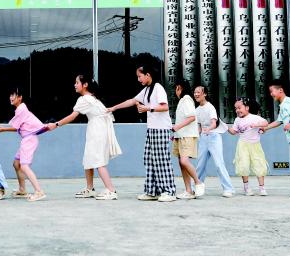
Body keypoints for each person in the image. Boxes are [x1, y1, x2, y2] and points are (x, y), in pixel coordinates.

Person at [107, 63, 176, 202]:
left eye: (140, 76)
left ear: (148, 75)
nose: (138, 79)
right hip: (152, 129)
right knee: (149, 159)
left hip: (161, 129)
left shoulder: (158, 88)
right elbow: (132, 101)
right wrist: (114, 108)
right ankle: (152, 191)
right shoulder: (147, 90)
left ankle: (169, 191)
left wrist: (148, 108)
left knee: (162, 160)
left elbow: (165, 107)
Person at [49, 74, 121, 200]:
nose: (75, 85)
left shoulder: (84, 99)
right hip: (97, 129)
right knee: (89, 158)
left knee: (98, 161)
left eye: (77, 82)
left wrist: (56, 124)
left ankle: (111, 190)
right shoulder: (93, 98)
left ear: (85, 85)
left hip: (97, 131)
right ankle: (89, 188)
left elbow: (72, 116)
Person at [0, 88, 47, 202]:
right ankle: (22, 190)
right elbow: (17, 127)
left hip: (29, 139)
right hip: (27, 139)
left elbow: (15, 127)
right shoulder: (20, 109)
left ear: (20, 97)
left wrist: (2, 129)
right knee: (16, 164)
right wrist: (3, 128)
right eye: (10, 95)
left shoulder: (21, 109)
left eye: (13, 95)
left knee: (24, 166)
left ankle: (39, 191)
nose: (11, 97)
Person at [193, 85, 234, 198]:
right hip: (203, 138)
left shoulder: (210, 107)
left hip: (214, 137)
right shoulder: (196, 110)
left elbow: (214, 123)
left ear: (205, 94)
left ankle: (228, 189)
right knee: (200, 165)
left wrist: (208, 129)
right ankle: (197, 187)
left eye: (198, 92)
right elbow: (199, 127)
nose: (196, 94)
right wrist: (196, 136)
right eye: (195, 92)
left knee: (219, 164)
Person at [227, 97, 269, 196]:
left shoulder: (254, 117)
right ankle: (247, 188)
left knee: (259, 164)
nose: (237, 110)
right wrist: (225, 127)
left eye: (239, 108)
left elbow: (266, 123)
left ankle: (262, 188)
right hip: (242, 145)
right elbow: (234, 132)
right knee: (243, 165)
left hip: (255, 145)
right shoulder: (237, 120)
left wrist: (257, 125)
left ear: (247, 107)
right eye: (236, 108)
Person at [171, 80, 205, 199]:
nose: (175, 92)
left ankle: (198, 182)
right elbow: (183, 119)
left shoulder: (186, 99)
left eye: (176, 89)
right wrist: (176, 133)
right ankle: (188, 191)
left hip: (187, 135)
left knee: (184, 161)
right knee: (182, 163)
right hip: (180, 135)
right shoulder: (183, 100)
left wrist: (177, 127)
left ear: (179, 88)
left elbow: (191, 117)